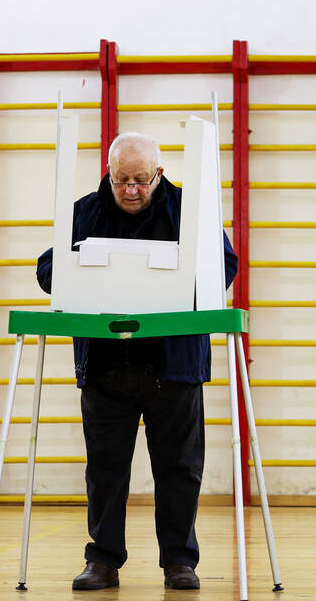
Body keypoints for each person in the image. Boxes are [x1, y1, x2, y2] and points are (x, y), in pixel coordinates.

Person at [36, 131, 238, 591]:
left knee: (180, 468)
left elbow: (225, 266)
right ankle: (103, 561)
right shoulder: (85, 211)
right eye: (121, 179)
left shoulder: (190, 211)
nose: (130, 189)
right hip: (107, 364)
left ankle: (179, 562)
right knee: (104, 469)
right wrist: (83, 269)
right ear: (108, 173)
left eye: (141, 180)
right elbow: (47, 273)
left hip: (174, 363)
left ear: (159, 174)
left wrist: (178, 287)